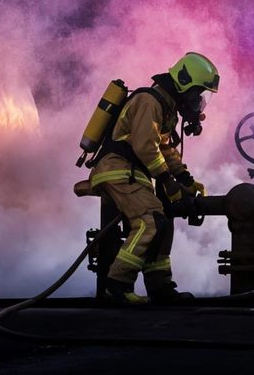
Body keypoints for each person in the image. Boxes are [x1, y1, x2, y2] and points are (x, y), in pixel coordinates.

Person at [89, 52, 219, 304]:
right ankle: (116, 285)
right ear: (184, 83)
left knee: (164, 219)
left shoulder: (166, 107)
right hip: (117, 169)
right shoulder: (150, 101)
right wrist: (168, 181)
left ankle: (160, 287)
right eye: (197, 94)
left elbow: (165, 149)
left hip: (132, 172)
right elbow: (146, 146)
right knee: (151, 221)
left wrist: (185, 179)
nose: (198, 102)